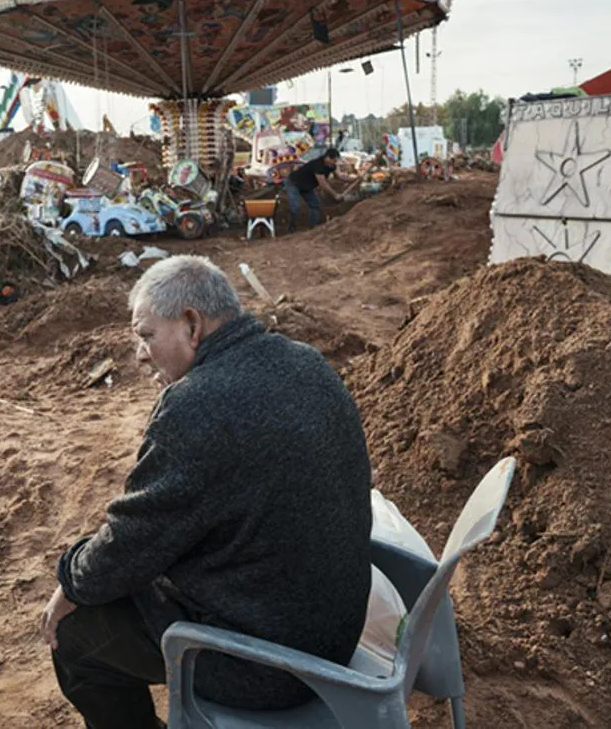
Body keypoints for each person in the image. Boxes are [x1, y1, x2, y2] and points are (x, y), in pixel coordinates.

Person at [42, 255, 371, 729]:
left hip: (272, 664)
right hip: (331, 630)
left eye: (146, 336)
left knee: (76, 635)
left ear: (192, 325)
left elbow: (130, 546)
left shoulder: (197, 406)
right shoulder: (306, 361)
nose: (138, 354)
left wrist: (71, 583)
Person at [285, 148, 341, 230]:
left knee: (315, 205)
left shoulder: (331, 166)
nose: (335, 163)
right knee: (295, 205)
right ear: (327, 158)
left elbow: (340, 176)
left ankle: (312, 229)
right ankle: (291, 227)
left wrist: (355, 179)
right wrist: (335, 195)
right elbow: (323, 184)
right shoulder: (318, 165)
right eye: (334, 161)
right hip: (294, 183)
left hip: (307, 186)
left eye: (336, 161)